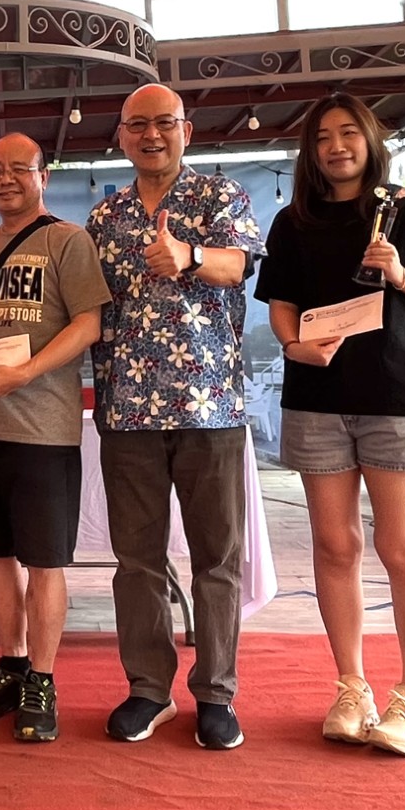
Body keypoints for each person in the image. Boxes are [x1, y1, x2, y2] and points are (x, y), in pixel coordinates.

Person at [251, 92, 405, 758]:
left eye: (348, 133)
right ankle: (351, 687)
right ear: (309, 152)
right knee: (335, 545)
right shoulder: (293, 221)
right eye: (322, 138)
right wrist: (294, 347)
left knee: (403, 547)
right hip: (316, 398)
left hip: (395, 395)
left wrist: (399, 273)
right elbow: (281, 304)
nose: (336, 146)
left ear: (370, 140)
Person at [86, 84, 265, 751]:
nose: (151, 135)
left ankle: (216, 693)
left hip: (209, 406)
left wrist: (190, 255)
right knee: (137, 560)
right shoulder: (105, 217)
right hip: (126, 411)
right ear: (121, 135)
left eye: (164, 122)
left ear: (187, 130)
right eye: (138, 124)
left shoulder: (220, 197)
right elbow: (86, 306)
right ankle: (148, 690)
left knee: (217, 557)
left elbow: (238, 264)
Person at [0, 133, 111, 743]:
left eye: (20, 168)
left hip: (42, 430)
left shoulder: (68, 241)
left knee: (44, 560)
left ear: (44, 176)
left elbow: (89, 325)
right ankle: (12, 664)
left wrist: (27, 372)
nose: (6, 178)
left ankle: (42, 678)